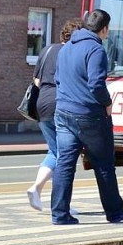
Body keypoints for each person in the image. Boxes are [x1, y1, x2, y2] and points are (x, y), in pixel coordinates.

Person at [51, 9, 123, 225]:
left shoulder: (66, 48)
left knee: (64, 164)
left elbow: (58, 80)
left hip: (62, 113)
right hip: (90, 116)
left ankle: (60, 214)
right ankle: (116, 212)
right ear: (104, 29)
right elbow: (96, 84)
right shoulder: (96, 50)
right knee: (104, 165)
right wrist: (108, 103)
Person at [26, 19, 83, 212]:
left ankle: (37, 189)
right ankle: (60, 204)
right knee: (66, 156)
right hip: (63, 105)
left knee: (55, 151)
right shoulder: (73, 53)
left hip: (41, 104)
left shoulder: (47, 50)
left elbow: (36, 80)